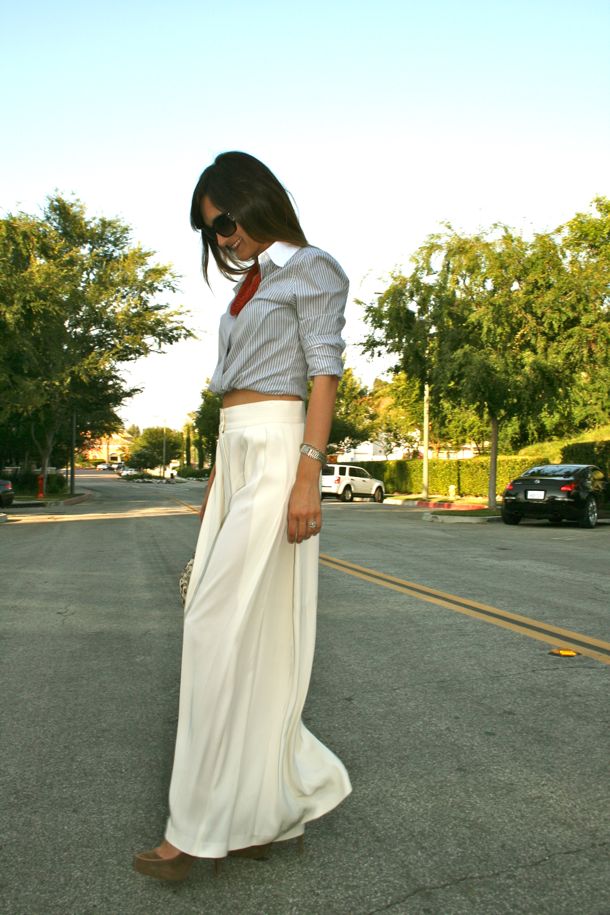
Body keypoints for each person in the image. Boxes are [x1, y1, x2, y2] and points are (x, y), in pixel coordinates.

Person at [134, 151, 352, 882]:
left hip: (280, 452)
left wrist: (308, 474)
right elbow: (231, 403)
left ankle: (192, 833)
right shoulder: (249, 286)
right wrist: (213, 487)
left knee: (211, 629)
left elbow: (324, 374)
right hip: (236, 454)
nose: (222, 238)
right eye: (211, 230)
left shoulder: (312, 268)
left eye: (225, 221)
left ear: (257, 201)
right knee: (247, 637)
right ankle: (263, 816)